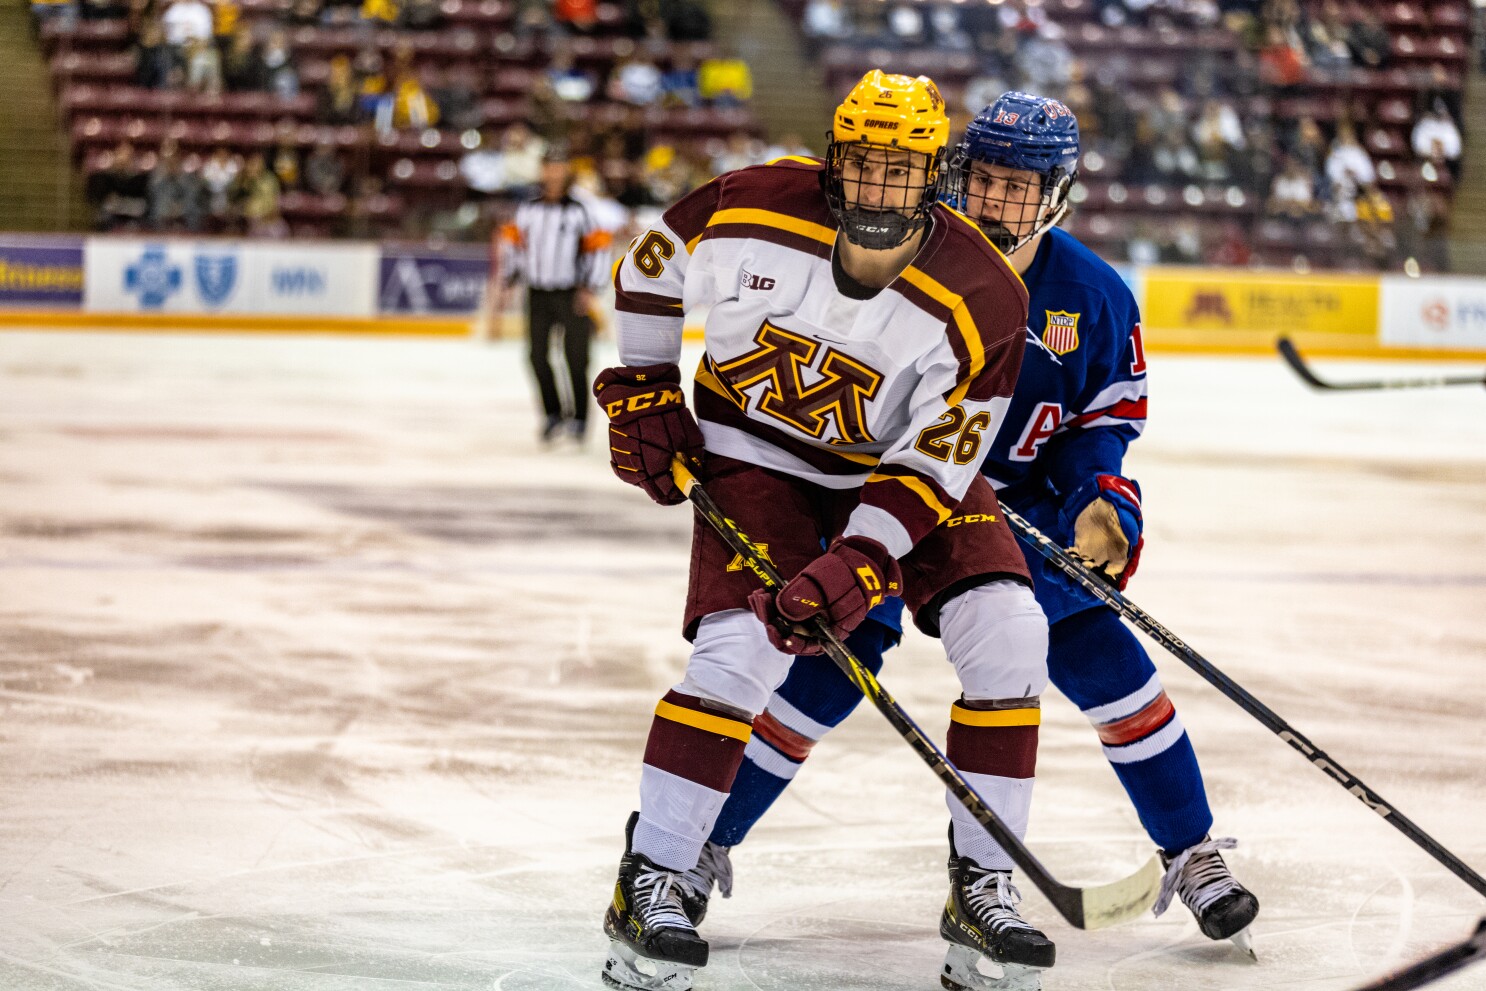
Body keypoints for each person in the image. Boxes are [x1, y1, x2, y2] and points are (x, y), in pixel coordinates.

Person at [677, 92, 1262, 972]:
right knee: (826, 670)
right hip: (884, 497)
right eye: (982, 177)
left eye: (1020, 186)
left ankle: (1191, 850)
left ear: (1059, 194)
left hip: (1007, 514)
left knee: (1104, 660)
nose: (995, 201)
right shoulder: (908, 260)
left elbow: (1098, 426)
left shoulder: (1095, 297)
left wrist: (1105, 497)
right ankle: (698, 846)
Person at [594, 70, 1054, 991]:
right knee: (739, 654)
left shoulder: (986, 295)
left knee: (1011, 635)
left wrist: (864, 557)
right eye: (863, 165)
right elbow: (648, 264)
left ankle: (984, 883)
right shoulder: (749, 202)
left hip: (895, 476)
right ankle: (654, 874)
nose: (878, 188)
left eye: (902, 170)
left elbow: (936, 462)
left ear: (936, 176)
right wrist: (644, 387)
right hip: (756, 459)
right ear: (835, 162)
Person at [498, 153, 607, 444]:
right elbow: (515, 246)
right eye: (550, 168)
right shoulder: (528, 209)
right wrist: (510, 279)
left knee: (576, 357)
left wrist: (589, 288)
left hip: (571, 293)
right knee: (536, 356)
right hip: (537, 293)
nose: (554, 174)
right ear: (543, 171)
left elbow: (598, 248)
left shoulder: (582, 210)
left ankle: (580, 418)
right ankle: (553, 414)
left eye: (560, 168)